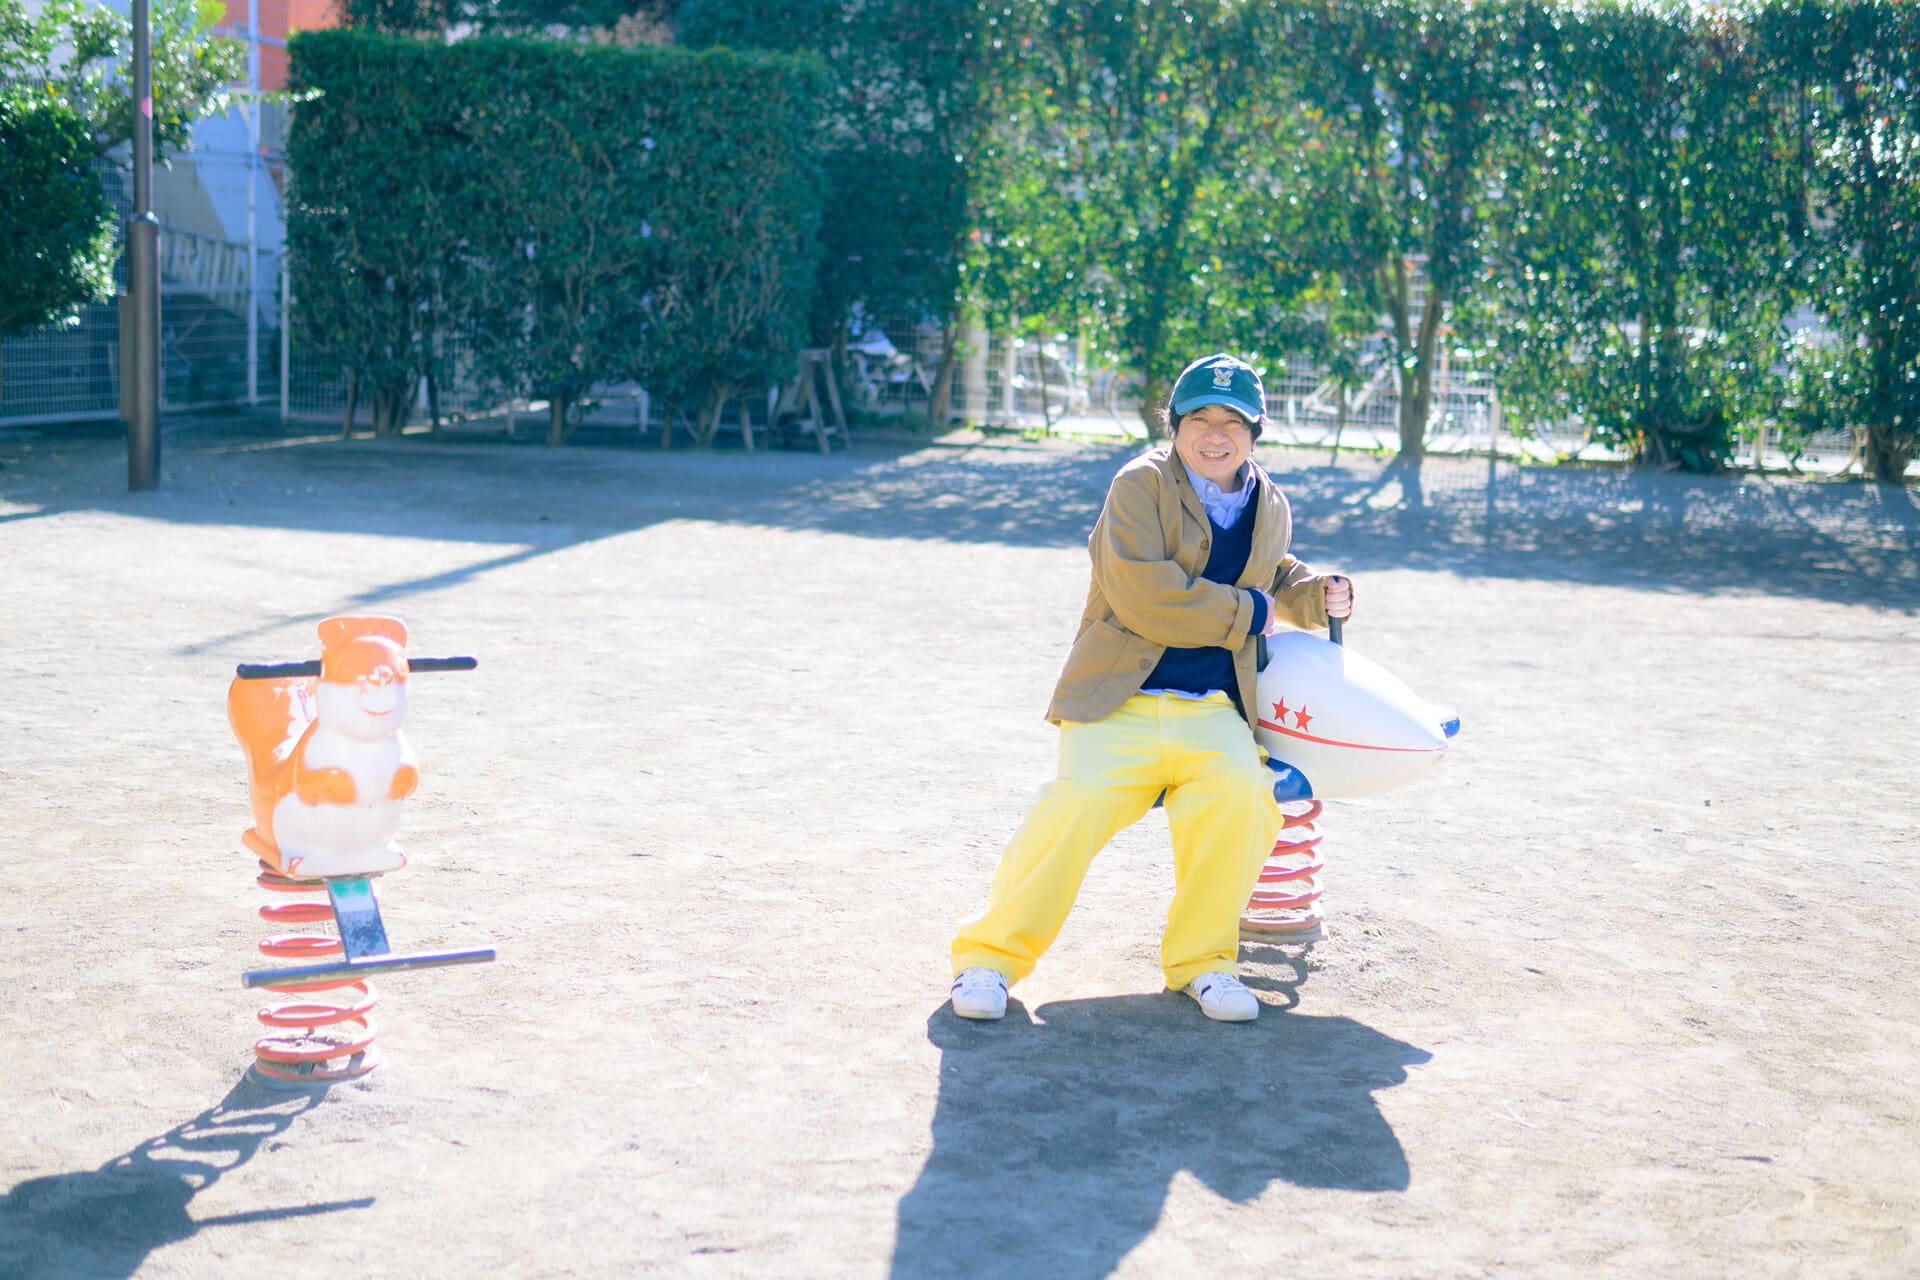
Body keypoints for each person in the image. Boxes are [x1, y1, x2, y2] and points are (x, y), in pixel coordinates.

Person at [948, 353, 1353, 1024]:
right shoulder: (1140, 485)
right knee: (1074, 802)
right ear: (1175, 425)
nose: (1215, 434)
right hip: (1119, 703)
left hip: (1214, 709)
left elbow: (1272, 573)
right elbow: (1144, 595)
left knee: (1244, 797)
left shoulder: (1268, 500)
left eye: (1233, 422)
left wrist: (1316, 594)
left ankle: (1203, 963)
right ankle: (986, 959)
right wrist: (1252, 613)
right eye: (1199, 418)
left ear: (1255, 433)